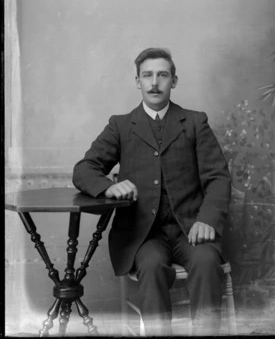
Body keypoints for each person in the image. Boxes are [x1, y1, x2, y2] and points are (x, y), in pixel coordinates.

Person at [72, 47, 231, 336]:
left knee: (206, 262)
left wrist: (207, 219)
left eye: (162, 75)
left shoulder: (195, 122)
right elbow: (84, 169)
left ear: (174, 81)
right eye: (147, 75)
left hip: (191, 230)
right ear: (138, 82)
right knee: (152, 266)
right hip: (145, 235)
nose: (155, 82)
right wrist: (109, 186)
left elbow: (218, 177)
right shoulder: (120, 125)